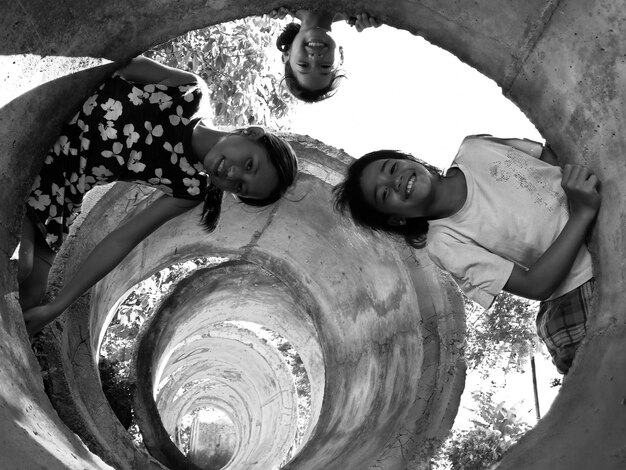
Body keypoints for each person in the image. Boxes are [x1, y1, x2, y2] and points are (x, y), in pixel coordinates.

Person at [19, 56, 298, 336]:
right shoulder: (189, 92)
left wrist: (59, 305)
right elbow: (115, 62)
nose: (235, 175)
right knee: (23, 264)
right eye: (250, 165)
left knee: (32, 294)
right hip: (52, 140)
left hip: (62, 193)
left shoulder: (190, 188)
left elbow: (122, 240)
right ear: (250, 133)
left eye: (241, 188)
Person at [333, 135, 600, 374]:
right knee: (579, 352)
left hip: (598, 199)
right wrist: (582, 214)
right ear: (395, 219)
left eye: (391, 168)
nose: (396, 180)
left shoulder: (475, 148)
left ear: (408, 159)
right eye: (384, 193)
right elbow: (536, 285)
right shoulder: (444, 245)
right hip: (578, 281)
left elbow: (550, 157)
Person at [270, 8, 381, 102]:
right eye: (325, 66)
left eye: (303, 65)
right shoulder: (360, 10)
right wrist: (379, 11)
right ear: (341, 55)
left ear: (286, 55)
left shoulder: (280, 7)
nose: (315, 58)